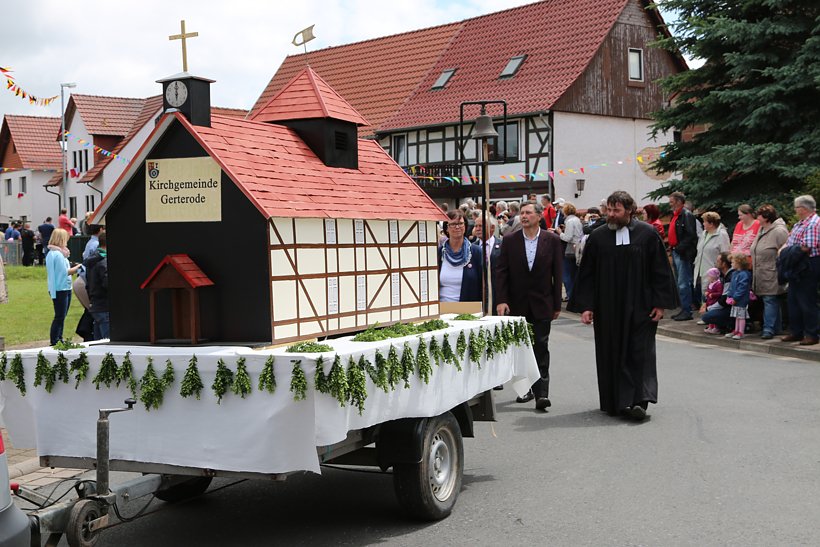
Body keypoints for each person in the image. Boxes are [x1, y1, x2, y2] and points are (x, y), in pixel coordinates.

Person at [568, 191, 678, 420]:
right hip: (607, 306)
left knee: (640, 352)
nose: (611, 214)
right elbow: (587, 274)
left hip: (641, 306)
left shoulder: (647, 235)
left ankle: (639, 401)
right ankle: (615, 401)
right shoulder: (598, 237)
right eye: (609, 210)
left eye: (616, 210)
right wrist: (587, 306)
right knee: (611, 351)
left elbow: (660, 271)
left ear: (629, 210)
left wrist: (660, 304)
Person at [495, 201, 563, 410]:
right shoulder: (510, 240)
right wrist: (501, 300)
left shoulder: (551, 240)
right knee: (520, 349)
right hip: (517, 303)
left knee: (540, 347)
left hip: (543, 303)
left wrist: (557, 304)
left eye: (528, 213)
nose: (524, 216)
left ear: (539, 216)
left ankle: (542, 394)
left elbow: (557, 274)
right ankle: (524, 390)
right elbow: (501, 273)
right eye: (522, 213)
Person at [781, 195, 820, 345]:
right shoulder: (800, 223)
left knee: (807, 300)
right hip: (796, 265)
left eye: (796, 208)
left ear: (803, 209)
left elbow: (806, 246)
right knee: (793, 300)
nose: (796, 211)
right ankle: (796, 331)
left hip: (807, 265)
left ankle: (812, 334)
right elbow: (790, 241)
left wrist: (786, 253)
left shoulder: (814, 223)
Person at [750, 204, 788, 339]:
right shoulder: (761, 229)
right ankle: (775, 328)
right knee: (770, 300)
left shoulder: (778, 231)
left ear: (766, 218)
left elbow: (785, 250)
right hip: (761, 272)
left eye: (759, 215)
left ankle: (768, 329)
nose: (757, 218)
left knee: (770, 299)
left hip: (772, 272)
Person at [46, 228, 82, 345]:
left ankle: (59, 338)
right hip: (61, 288)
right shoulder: (57, 254)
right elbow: (65, 272)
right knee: (60, 316)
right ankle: (55, 340)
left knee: (61, 315)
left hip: (62, 287)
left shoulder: (55, 253)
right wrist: (79, 267)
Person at [438, 210, 482, 302]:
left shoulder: (476, 252)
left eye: (461, 223)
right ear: (446, 228)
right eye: (453, 224)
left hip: (468, 311)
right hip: (442, 310)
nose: (457, 227)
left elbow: (483, 285)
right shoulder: (438, 253)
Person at [667, 191, 698, 320]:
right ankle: (684, 308)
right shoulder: (677, 215)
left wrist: (679, 248)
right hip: (677, 251)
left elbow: (690, 235)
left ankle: (687, 310)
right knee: (681, 281)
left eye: (672, 201)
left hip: (682, 253)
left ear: (679, 202)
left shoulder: (686, 215)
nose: (670, 204)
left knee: (683, 283)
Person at [693, 212, 730, 307]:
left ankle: (708, 316)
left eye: (704, 222)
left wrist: (721, 270)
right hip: (700, 268)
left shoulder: (722, 235)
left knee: (710, 293)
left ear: (711, 223)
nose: (703, 224)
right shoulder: (704, 234)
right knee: (703, 292)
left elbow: (725, 253)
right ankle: (705, 314)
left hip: (713, 270)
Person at [554, 201, 583, 301]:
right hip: (577, 247)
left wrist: (559, 232)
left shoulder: (569, 221)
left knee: (566, 274)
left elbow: (568, 238)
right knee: (574, 274)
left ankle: (571, 295)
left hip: (570, 249)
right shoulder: (577, 220)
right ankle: (575, 295)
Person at [85, 232, 109, 340]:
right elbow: (107, 284)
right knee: (107, 340)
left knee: (98, 342)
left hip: (95, 303)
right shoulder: (103, 262)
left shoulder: (92, 259)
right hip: (104, 304)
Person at [701, 268, 723, 334]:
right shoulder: (710, 284)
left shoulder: (718, 284)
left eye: (709, 276)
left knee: (713, 315)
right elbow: (708, 290)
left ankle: (716, 327)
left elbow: (720, 293)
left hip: (714, 302)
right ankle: (710, 326)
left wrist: (712, 295)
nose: (708, 278)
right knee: (710, 315)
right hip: (709, 302)